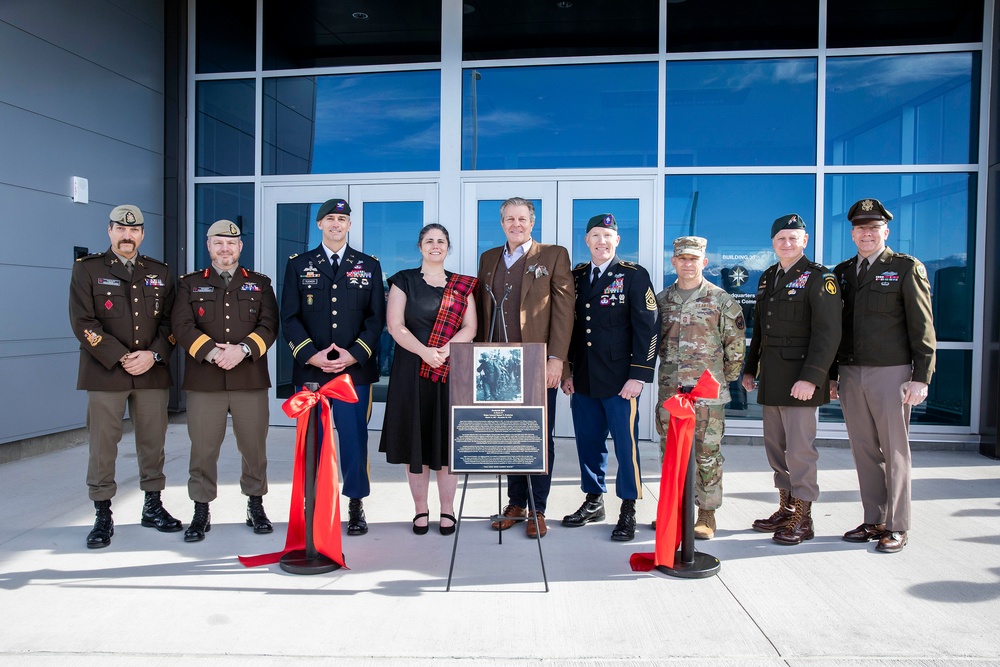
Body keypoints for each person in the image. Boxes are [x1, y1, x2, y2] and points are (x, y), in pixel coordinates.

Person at [68, 204, 181, 548]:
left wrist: (154, 354)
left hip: (150, 371)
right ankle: (103, 514)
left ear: (142, 234)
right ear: (110, 231)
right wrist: (120, 356)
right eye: (120, 228)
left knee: (153, 442)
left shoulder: (159, 272)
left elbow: (172, 322)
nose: (127, 235)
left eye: (134, 230)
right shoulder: (88, 270)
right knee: (103, 445)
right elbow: (82, 321)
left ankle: (152, 506)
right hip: (105, 372)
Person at [830, 198, 936, 553]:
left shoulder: (906, 268)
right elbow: (834, 329)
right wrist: (832, 375)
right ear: (852, 233)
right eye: (861, 228)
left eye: (874, 228)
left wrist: (921, 377)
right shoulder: (843, 272)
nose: (867, 234)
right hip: (851, 371)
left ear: (885, 232)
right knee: (863, 451)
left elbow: (923, 327)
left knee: (895, 450)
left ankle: (898, 524)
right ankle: (873, 518)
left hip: (892, 373)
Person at [281, 198, 386, 536]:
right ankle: (314, 501)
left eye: (342, 219)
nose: (336, 224)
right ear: (319, 224)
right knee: (313, 440)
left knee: (354, 439)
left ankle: (356, 504)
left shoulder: (368, 265)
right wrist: (308, 354)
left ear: (350, 225)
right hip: (311, 374)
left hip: (355, 372)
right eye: (330, 219)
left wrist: (355, 354)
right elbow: (290, 316)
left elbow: (376, 319)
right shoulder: (299, 264)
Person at [171, 220, 279, 542]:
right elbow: (181, 324)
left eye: (231, 243)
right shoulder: (190, 284)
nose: (225, 249)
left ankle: (255, 505)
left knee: (254, 448)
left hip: (249, 379)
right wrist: (213, 353)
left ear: (240, 247)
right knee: (203, 450)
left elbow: (269, 324)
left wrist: (243, 350)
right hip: (205, 381)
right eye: (218, 243)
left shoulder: (259, 284)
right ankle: (201, 510)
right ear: (208, 246)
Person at [476, 197, 574, 538]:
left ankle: (538, 508)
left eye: (522, 219)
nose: (516, 224)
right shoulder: (489, 258)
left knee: (537, 436)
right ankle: (515, 503)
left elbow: (564, 310)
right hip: (499, 364)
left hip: (537, 361)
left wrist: (556, 358)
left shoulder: (553, 254)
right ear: (502, 223)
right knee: (509, 435)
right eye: (509, 219)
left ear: (532, 222)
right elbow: (483, 310)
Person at [741, 214, 841, 545]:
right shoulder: (769, 277)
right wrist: (751, 368)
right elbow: (762, 330)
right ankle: (786, 508)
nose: (787, 243)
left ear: (805, 241)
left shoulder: (819, 277)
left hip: (801, 381)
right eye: (781, 238)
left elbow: (828, 332)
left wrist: (813, 378)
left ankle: (804, 517)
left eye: (793, 238)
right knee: (776, 449)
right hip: (773, 378)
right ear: (773, 243)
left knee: (800, 450)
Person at [560, 214, 660, 542]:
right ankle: (593, 500)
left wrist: (639, 376)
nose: (601, 241)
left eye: (607, 236)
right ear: (586, 241)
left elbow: (648, 328)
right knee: (588, 444)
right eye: (594, 236)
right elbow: (569, 328)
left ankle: (628, 507)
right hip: (585, 378)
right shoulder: (575, 276)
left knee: (625, 446)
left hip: (621, 382)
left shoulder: (633, 275)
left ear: (617, 240)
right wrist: (568, 371)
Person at [379, 224, 478, 535]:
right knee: (416, 444)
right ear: (420, 246)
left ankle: (447, 510)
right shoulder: (403, 281)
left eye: (441, 241)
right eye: (429, 241)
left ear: (448, 247)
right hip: (411, 370)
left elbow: (470, 328)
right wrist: (425, 352)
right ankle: (420, 509)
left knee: (447, 444)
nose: (436, 246)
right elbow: (395, 326)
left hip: (449, 371)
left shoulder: (463, 285)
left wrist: (444, 352)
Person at [655, 236, 746, 540]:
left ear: (704, 262)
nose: (688, 264)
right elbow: (652, 344)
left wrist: (725, 380)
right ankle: (674, 510)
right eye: (682, 258)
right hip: (672, 392)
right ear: (674, 262)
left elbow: (735, 346)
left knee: (707, 452)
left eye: (694, 259)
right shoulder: (662, 300)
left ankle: (706, 513)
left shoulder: (721, 300)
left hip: (707, 393)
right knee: (672, 451)